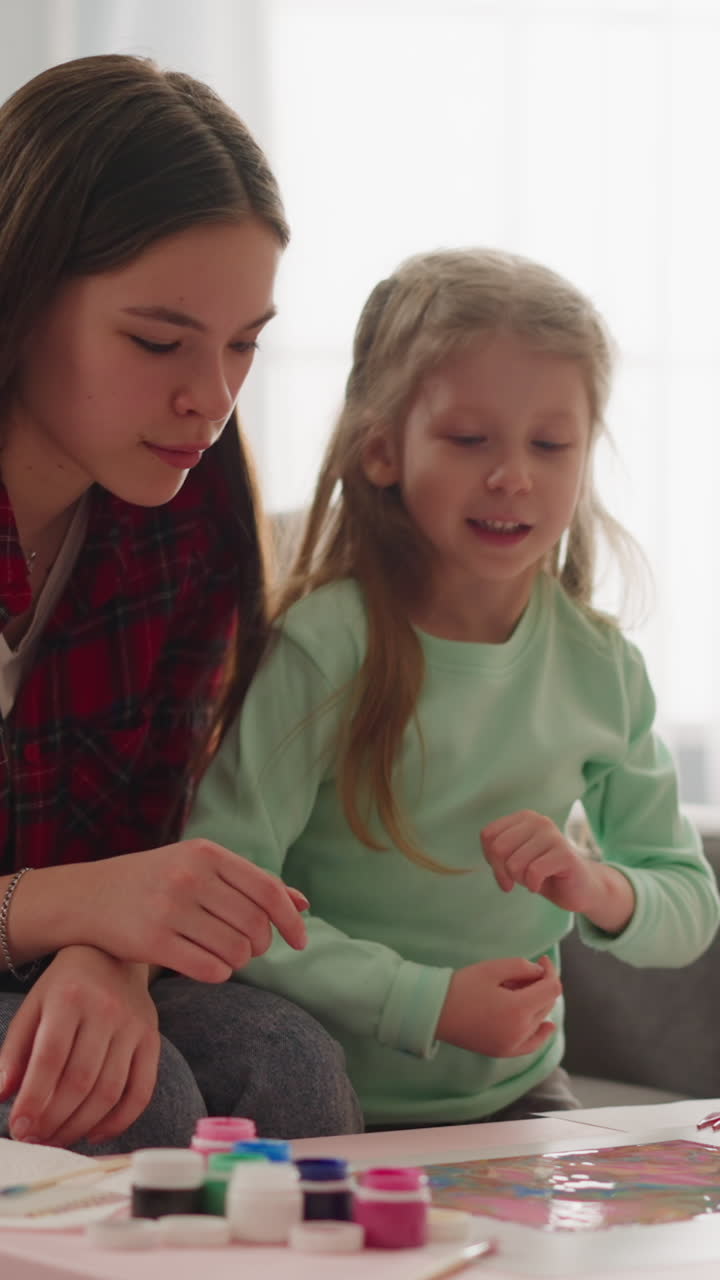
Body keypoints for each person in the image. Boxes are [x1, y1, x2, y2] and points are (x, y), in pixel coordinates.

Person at [185, 247, 720, 1128]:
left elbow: (689, 904)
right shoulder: (326, 646)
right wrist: (424, 1003)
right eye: (470, 440)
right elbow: (227, 899)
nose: (513, 475)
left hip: (516, 1094)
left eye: (551, 444)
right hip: (318, 1100)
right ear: (382, 450)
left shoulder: (601, 667)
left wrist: (593, 883)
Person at [0, 53, 361, 1153]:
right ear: (20, 293)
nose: (210, 397)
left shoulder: (186, 514)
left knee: (287, 1067)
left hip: (58, 949)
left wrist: (112, 951)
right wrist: (74, 912)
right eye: (158, 341)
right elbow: (109, 884)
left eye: (244, 344)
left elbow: (148, 833)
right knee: (133, 1104)